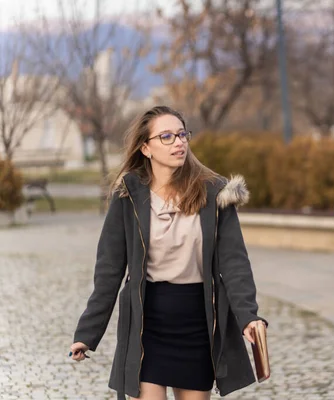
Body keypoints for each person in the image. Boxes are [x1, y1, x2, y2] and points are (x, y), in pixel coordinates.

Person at [69, 106, 266, 400]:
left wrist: (248, 316)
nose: (179, 142)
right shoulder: (128, 195)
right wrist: (87, 333)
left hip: (197, 322)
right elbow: (109, 270)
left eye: (182, 134)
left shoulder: (213, 193)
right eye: (167, 136)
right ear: (146, 148)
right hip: (146, 323)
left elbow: (234, 262)